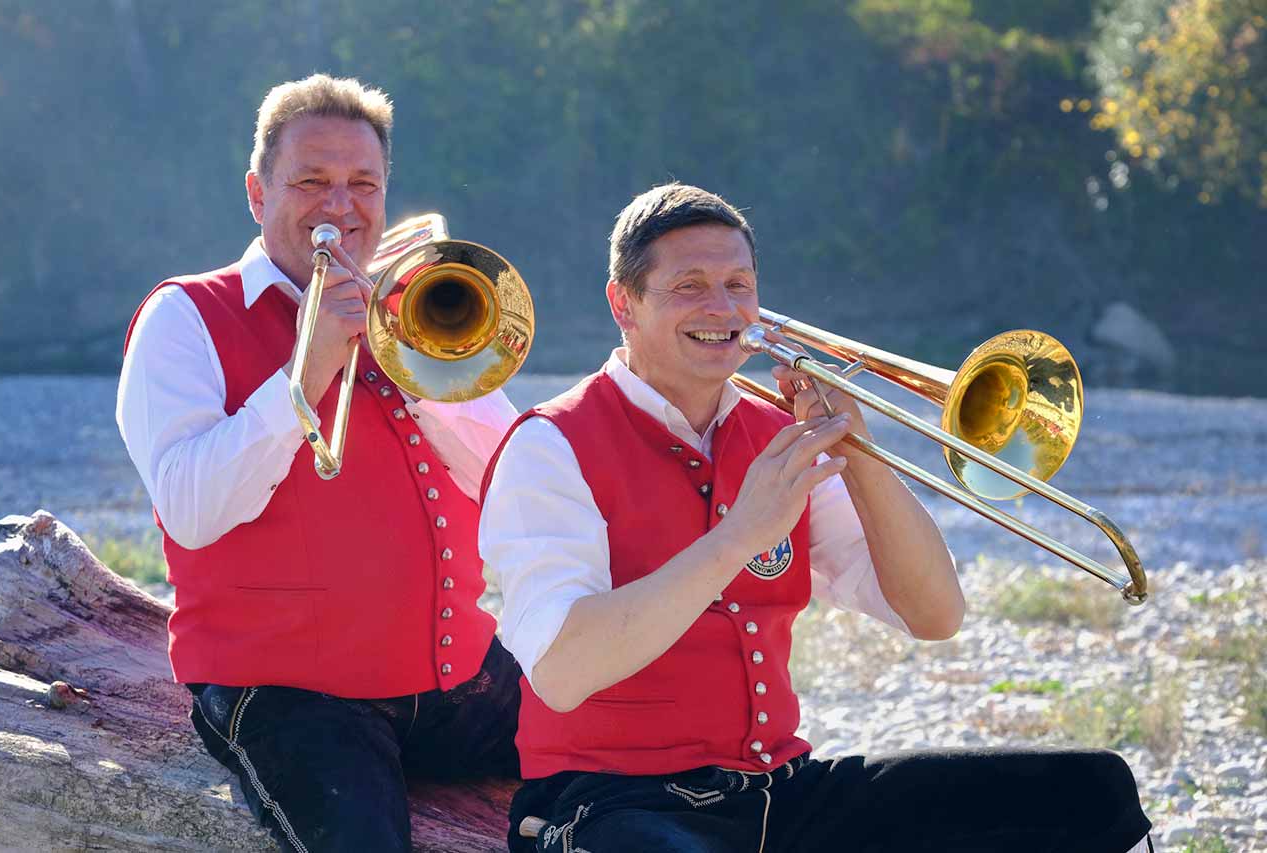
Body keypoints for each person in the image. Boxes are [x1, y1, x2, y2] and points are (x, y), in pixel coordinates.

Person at [479, 183, 1153, 853]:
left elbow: (935, 614)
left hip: (778, 789)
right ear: (622, 303)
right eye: (689, 285)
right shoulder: (552, 445)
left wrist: (858, 450)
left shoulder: (779, 438)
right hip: (609, 798)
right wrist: (739, 534)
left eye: (738, 284)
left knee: (1091, 790)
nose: (722, 306)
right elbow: (562, 672)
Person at [116, 74, 522, 852]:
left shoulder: (410, 308)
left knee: (639, 748)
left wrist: (415, 358)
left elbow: (508, 482)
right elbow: (193, 509)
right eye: (311, 182)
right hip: (292, 696)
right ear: (255, 192)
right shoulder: (185, 316)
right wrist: (306, 372)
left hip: (458, 678)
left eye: (362, 184)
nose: (341, 206)